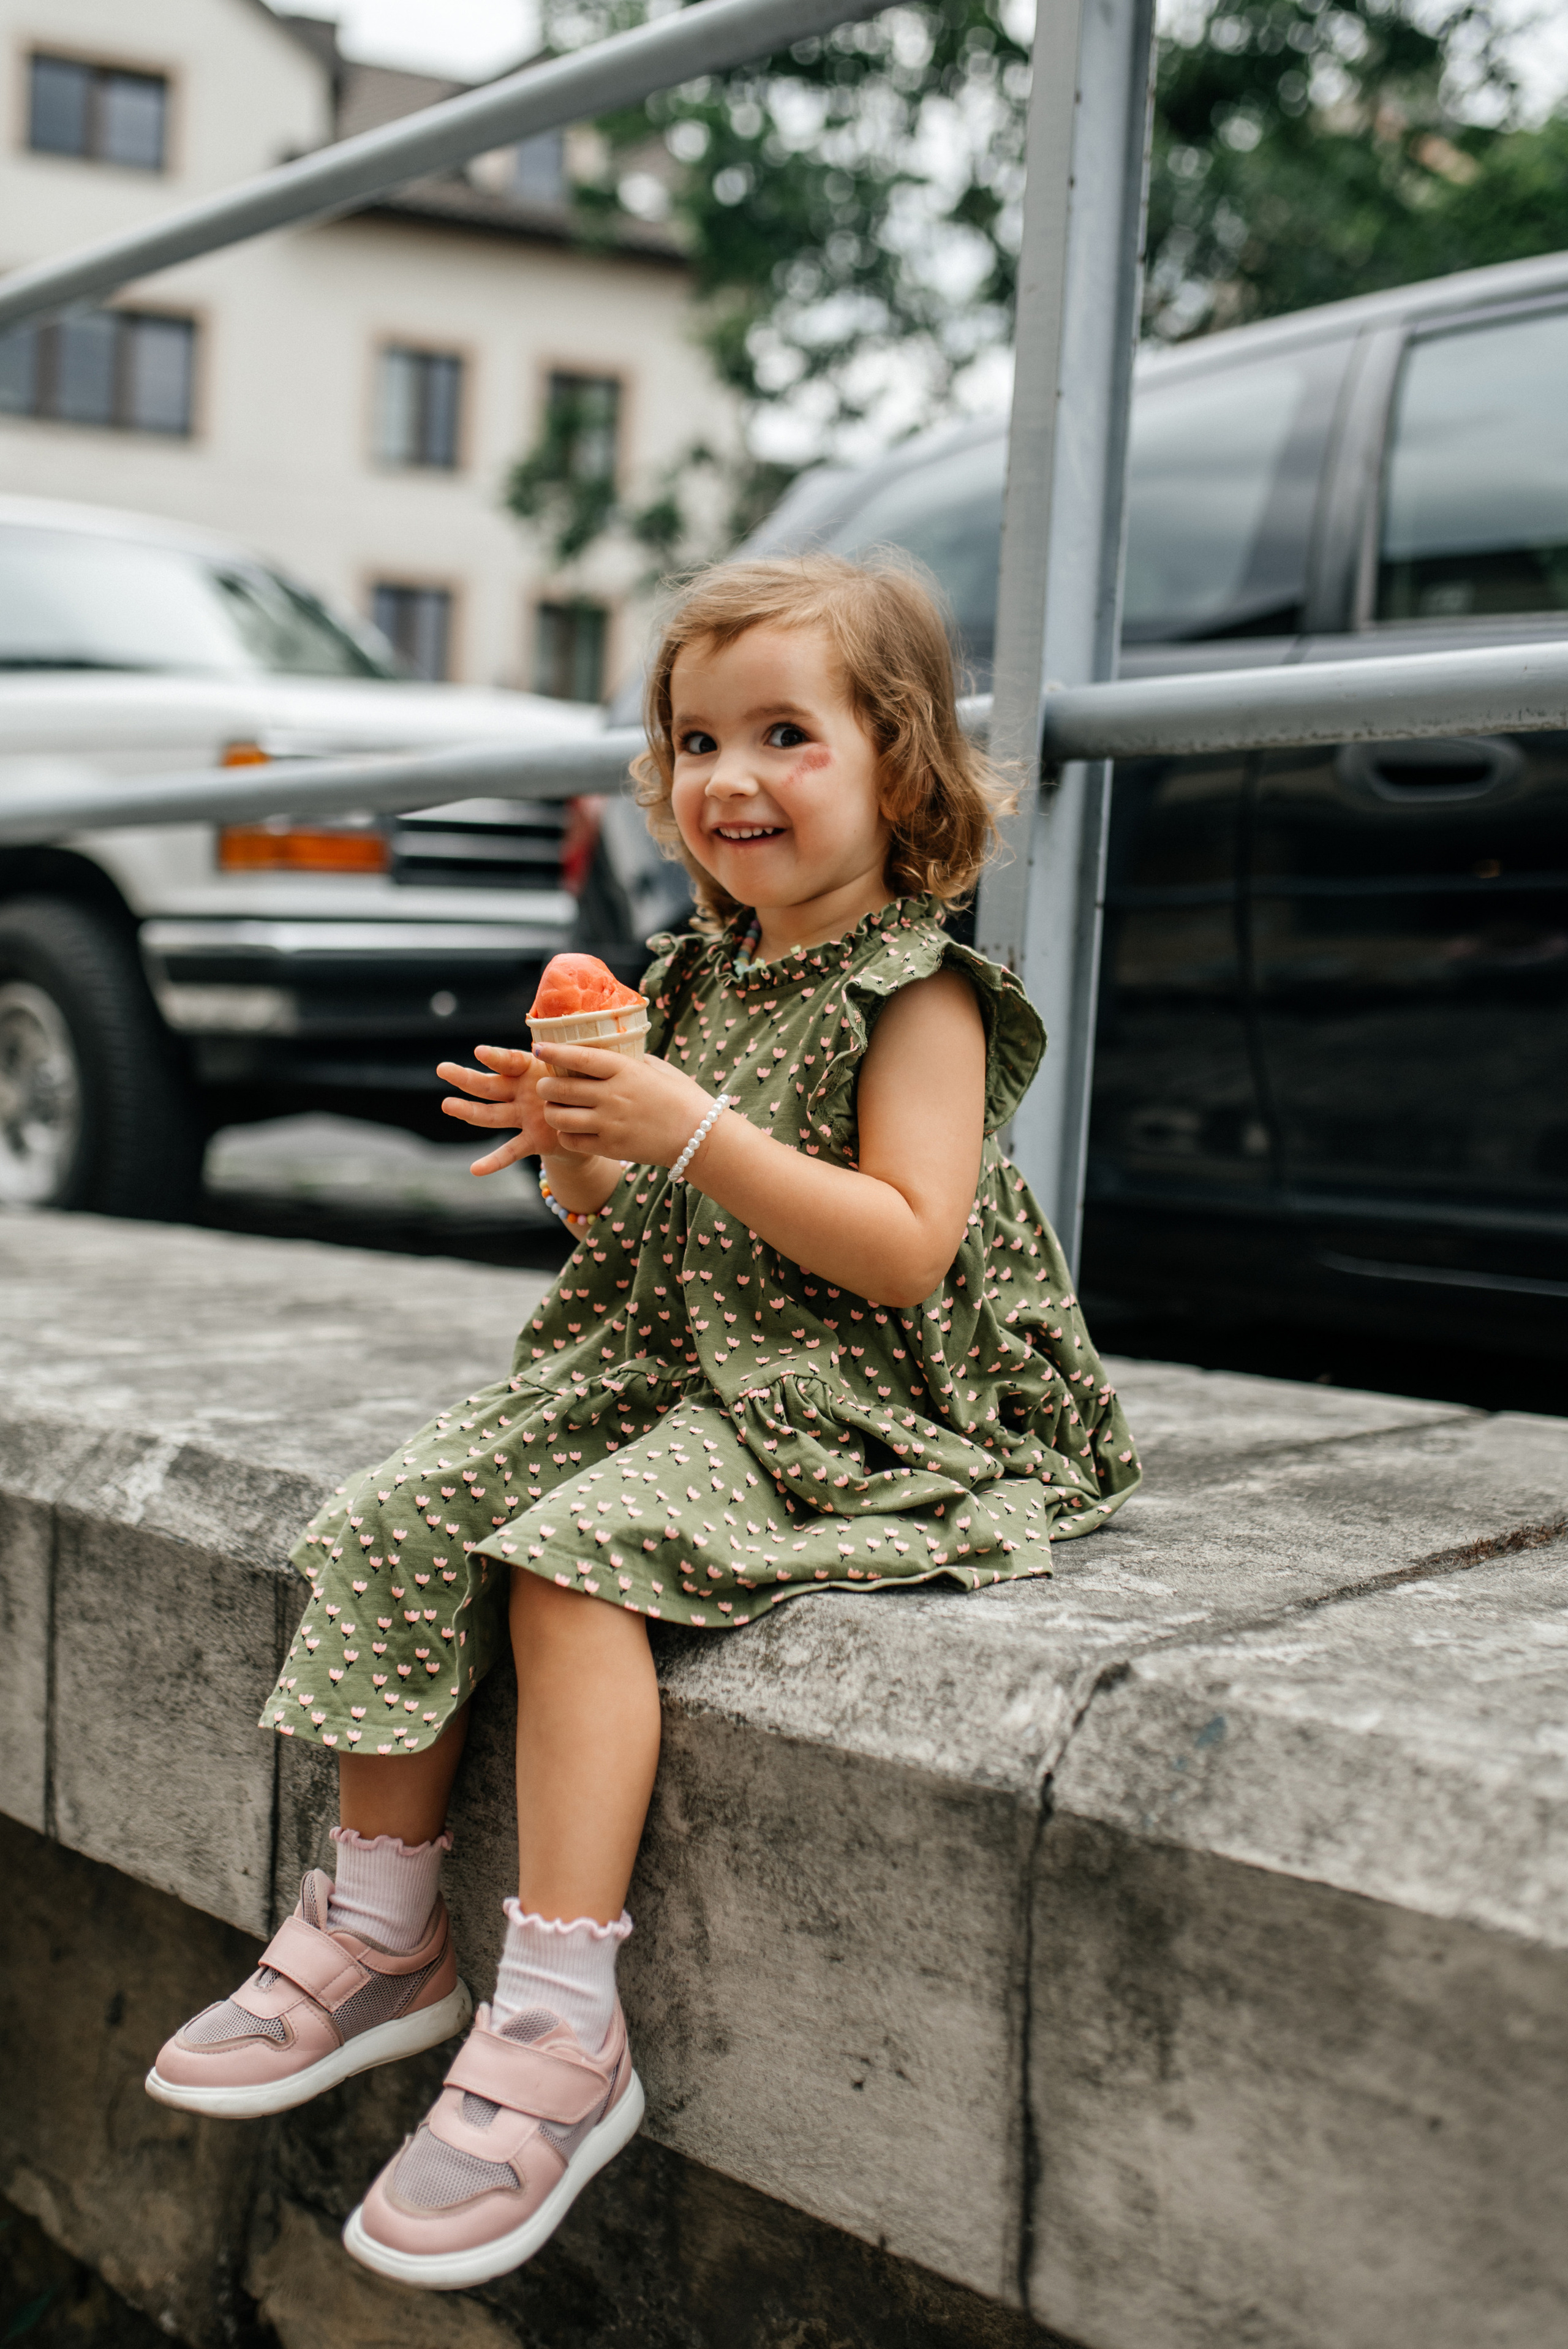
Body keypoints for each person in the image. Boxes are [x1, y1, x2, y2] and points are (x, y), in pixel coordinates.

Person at [145, 554, 1140, 2291]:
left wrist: (688, 1129)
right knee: (396, 1506)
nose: (729, 778)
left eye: (785, 733)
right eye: (695, 739)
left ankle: (559, 2016)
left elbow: (906, 1251)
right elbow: (633, 1234)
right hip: (690, 1354)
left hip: (860, 1391)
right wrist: (582, 1145)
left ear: (899, 766)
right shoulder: (688, 975)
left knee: (568, 1566)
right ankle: (382, 1931)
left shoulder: (919, 994)